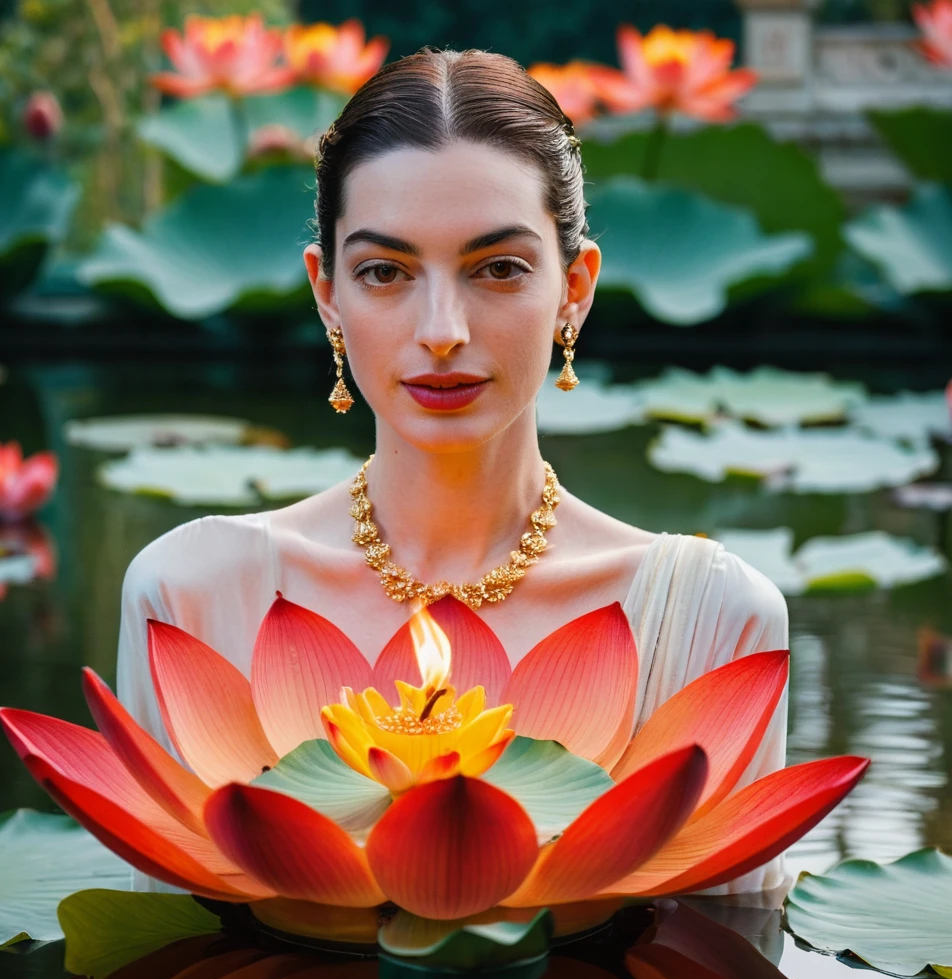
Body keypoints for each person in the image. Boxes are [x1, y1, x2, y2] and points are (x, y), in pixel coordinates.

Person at [116, 47, 788, 894]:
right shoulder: (189, 597)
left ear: (574, 289)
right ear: (327, 292)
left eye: (498, 268)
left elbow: (727, 958)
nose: (441, 329)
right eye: (384, 272)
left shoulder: (710, 621)